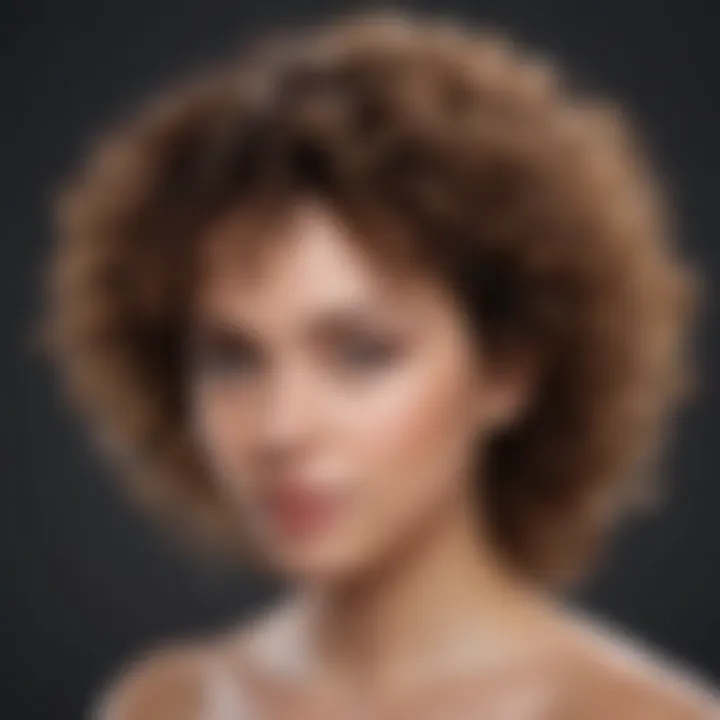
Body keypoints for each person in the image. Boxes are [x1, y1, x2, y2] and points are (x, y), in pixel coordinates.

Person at [40, 10, 719, 719]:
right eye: (233, 359)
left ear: (507, 370)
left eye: (361, 355)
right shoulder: (167, 702)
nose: (281, 427)